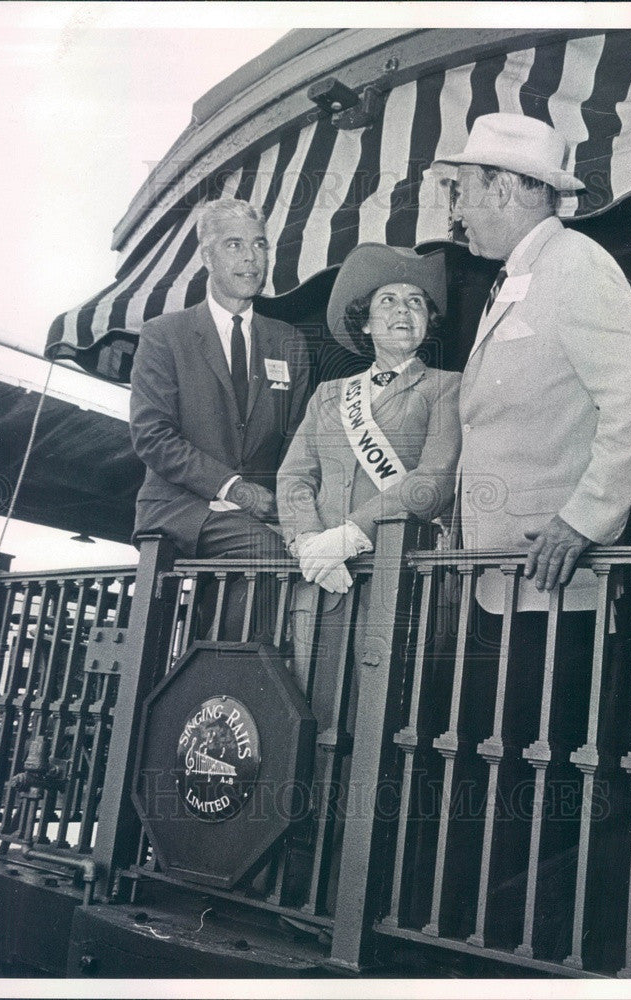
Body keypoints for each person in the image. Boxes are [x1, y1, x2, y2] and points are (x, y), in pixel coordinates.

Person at [427, 112, 631, 956]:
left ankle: (532, 950)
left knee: (540, 773)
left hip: (553, 585)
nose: (457, 211)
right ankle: (490, 939)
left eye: (463, 191)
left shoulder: (574, 265)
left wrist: (585, 517)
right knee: (506, 768)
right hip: (504, 584)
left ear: (506, 187)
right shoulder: (520, 276)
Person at [277, 243, 461, 720]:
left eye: (416, 301)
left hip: (397, 573)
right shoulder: (329, 394)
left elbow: (433, 481)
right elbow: (295, 474)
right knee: (311, 708)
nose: (403, 310)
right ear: (364, 321)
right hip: (322, 575)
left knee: (382, 717)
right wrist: (308, 544)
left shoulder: (447, 386)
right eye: (389, 301)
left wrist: (350, 534)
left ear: (428, 321)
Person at [129, 198, 310, 635]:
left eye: (260, 245)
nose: (251, 258)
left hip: (260, 515)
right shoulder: (163, 334)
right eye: (234, 245)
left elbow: (296, 443)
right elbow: (152, 436)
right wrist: (235, 489)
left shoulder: (290, 341)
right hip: (181, 506)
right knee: (267, 556)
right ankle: (226, 686)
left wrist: (292, 507)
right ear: (207, 257)